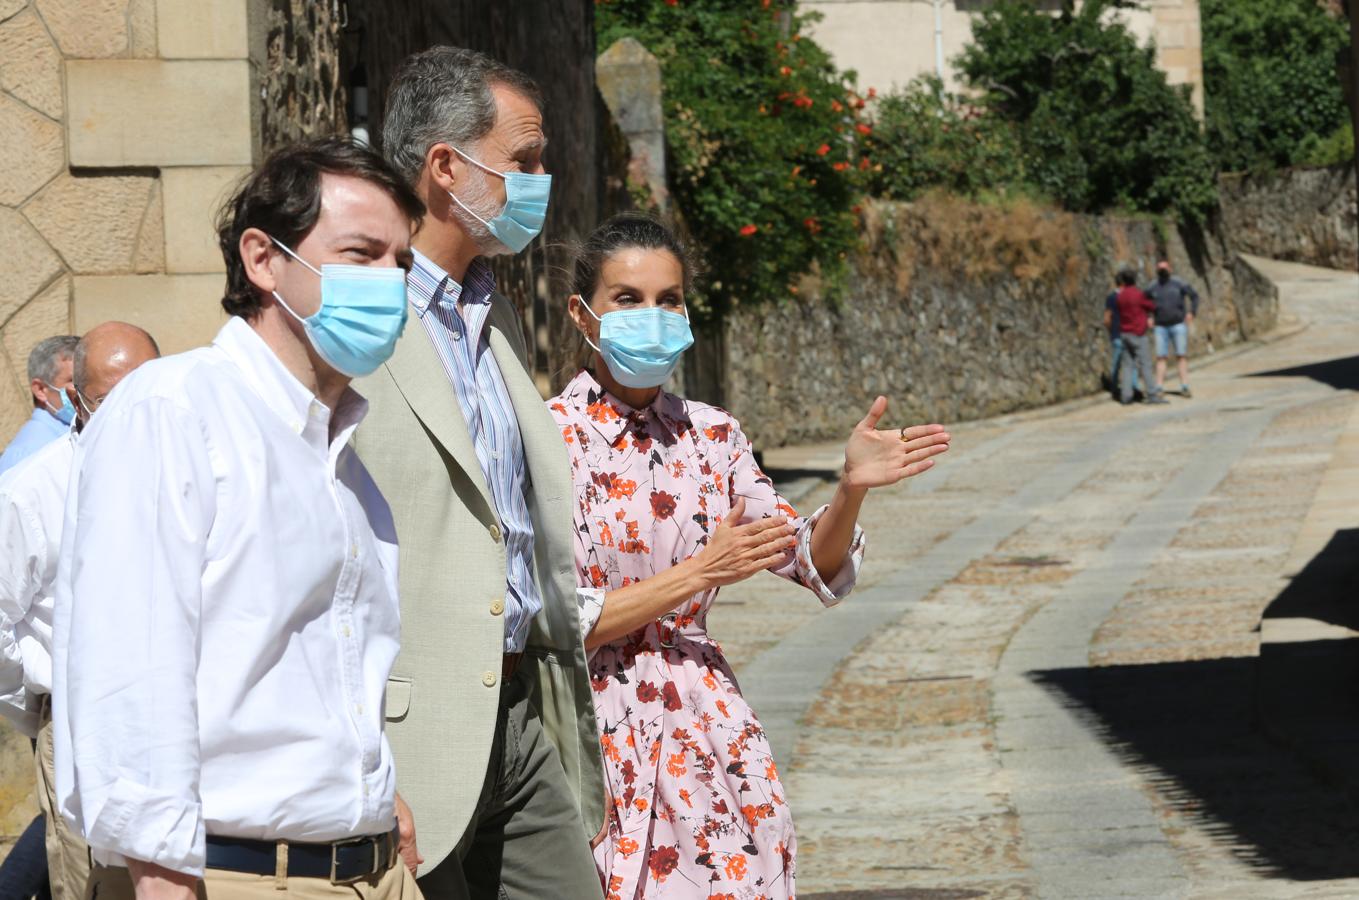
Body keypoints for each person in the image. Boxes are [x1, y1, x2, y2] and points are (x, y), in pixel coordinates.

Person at [51, 138, 425, 900]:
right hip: (230, 875)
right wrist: (161, 877)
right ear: (263, 259)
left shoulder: (339, 450)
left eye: (400, 263)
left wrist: (366, 792)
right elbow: (131, 662)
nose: (389, 283)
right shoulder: (174, 409)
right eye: (360, 254)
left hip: (367, 868)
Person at [550, 213, 952, 898]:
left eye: (668, 299)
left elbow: (807, 560)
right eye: (627, 299)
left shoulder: (712, 434)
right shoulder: (546, 437)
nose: (652, 316)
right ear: (583, 316)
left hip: (707, 722)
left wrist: (848, 489)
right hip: (592, 723)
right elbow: (554, 619)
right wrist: (700, 571)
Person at [351, 46, 603, 900]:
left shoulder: (488, 310)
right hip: (413, 726)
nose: (543, 179)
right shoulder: (356, 317)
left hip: (520, 707)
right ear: (445, 167)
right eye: (523, 161)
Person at [0, 322, 159, 900]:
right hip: (75, 727)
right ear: (75, 400)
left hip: (177, 724)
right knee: (87, 882)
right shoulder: (35, 488)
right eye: (111, 399)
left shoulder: (194, 467)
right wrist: (41, 708)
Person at [0, 336, 78, 476]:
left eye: (88, 378)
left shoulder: (82, 430)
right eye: (73, 380)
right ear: (40, 390)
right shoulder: (25, 456)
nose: (85, 388)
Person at [1144, 260, 1200, 398]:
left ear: (1170, 269)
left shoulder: (1179, 283)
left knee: (1181, 356)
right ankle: (1159, 387)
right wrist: (1148, 316)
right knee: (1160, 357)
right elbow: (1143, 302)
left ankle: (1185, 386)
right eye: (1160, 268)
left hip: (1178, 325)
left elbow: (1194, 296)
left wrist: (1192, 312)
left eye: (1165, 268)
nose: (1162, 270)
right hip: (1160, 327)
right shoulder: (1152, 286)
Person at [1113, 268, 1166, 406]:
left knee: (1127, 365)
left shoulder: (1120, 296)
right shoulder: (1138, 294)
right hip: (1138, 333)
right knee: (1145, 364)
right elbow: (1151, 306)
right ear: (1135, 280)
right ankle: (1152, 394)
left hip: (1124, 333)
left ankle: (1126, 396)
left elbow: (1119, 310)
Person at [1103, 276, 1139, 399]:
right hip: (1130, 333)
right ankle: (1134, 387)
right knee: (1132, 363)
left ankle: (1114, 388)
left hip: (1117, 335)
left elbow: (1107, 318)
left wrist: (1111, 331)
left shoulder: (1111, 297)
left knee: (1117, 363)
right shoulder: (1130, 297)